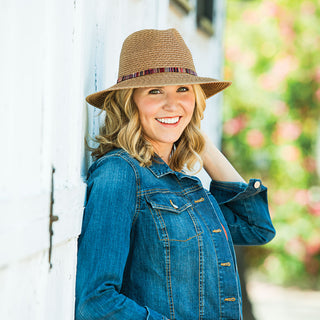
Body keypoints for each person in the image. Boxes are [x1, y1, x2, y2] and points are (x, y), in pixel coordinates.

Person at [75, 28, 275, 320]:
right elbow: (95, 302)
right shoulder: (120, 174)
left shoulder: (178, 182)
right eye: (155, 91)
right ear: (130, 102)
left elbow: (256, 227)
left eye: (183, 89)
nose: (172, 104)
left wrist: (196, 137)